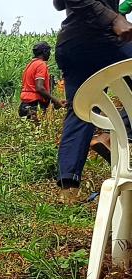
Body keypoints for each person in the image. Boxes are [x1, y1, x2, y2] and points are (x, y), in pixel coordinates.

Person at [54, 0, 132, 188]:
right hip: (104, 39)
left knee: (82, 110)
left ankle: (69, 189)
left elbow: (58, 4)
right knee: (82, 109)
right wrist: (114, 18)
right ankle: (115, 135)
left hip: (73, 44)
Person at [19, 42, 64, 122]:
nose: (50, 55)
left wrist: (56, 101)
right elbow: (39, 88)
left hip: (24, 105)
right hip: (34, 106)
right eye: (49, 52)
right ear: (44, 52)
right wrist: (55, 101)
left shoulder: (30, 65)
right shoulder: (41, 64)